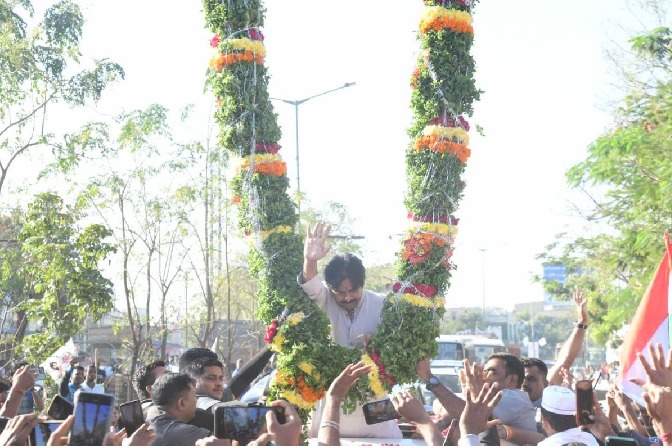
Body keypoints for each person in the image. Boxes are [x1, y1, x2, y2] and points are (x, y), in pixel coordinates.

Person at [299, 221, 401, 439]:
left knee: (387, 442)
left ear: (362, 283)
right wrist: (310, 260)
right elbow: (311, 285)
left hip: (374, 403)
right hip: (331, 400)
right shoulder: (324, 300)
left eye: (352, 290)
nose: (346, 297)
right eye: (340, 292)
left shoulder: (383, 305)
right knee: (324, 441)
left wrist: (377, 343)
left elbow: (396, 347)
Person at [147, 372, 215, 446]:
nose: (196, 400)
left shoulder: (146, 419)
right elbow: (223, 443)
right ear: (181, 403)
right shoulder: (184, 433)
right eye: (194, 396)